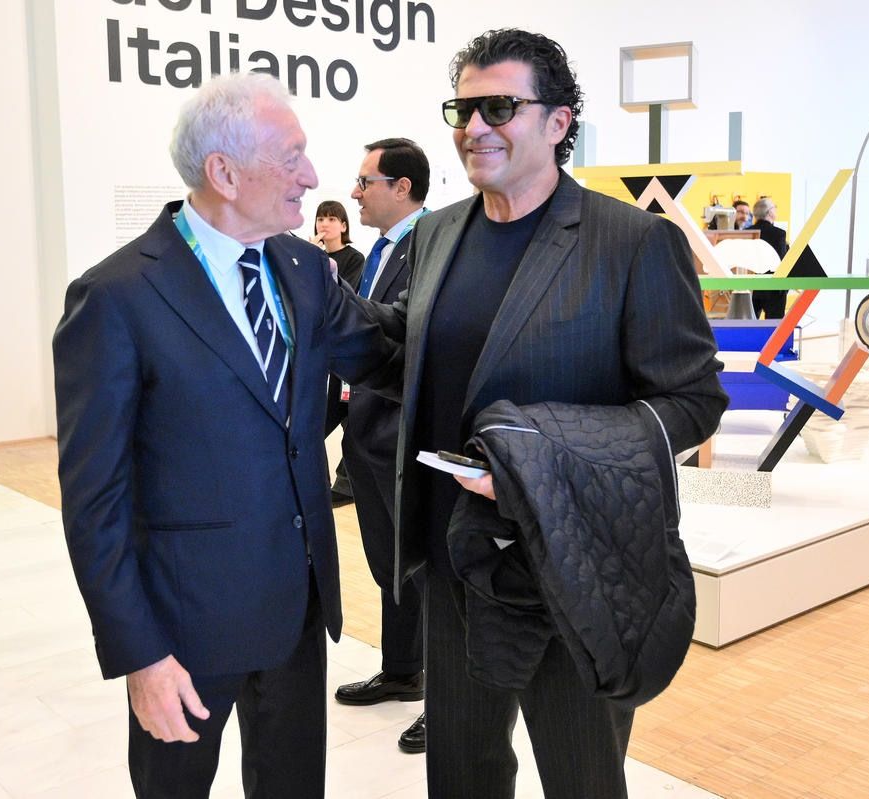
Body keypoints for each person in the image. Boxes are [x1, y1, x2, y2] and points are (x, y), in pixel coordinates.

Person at [360, 29, 726, 797]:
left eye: (498, 107)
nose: (473, 126)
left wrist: (542, 459)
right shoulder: (436, 232)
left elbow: (691, 401)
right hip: (455, 557)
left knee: (580, 776)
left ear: (558, 122)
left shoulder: (632, 241)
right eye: (461, 109)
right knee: (460, 771)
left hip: (573, 562)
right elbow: (411, 357)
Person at [53, 73, 398, 799]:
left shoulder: (304, 269)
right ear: (225, 173)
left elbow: (385, 355)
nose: (312, 177)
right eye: (292, 157)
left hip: (298, 608)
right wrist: (140, 656)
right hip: (185, 628)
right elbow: (94, 502)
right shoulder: (115, 296)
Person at [331, 137, 430, 754]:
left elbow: (405, 332)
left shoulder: (432, 246)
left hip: (401, 432)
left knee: (425, 572)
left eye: (365, 182)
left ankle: (447, 702)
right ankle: (402, 671)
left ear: (401, 187)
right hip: (366, 431)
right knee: (390, 564)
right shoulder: (382, 249)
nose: (355, 193)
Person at [314, 199, 365, 507]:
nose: (325, 224)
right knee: (326, 418)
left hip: (342, 350)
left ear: (344, 225)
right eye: (321, 218)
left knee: (347, 416)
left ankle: (346, 484)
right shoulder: (310, 256)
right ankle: (336, 484)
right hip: (317, 348)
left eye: (332, 219)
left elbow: (343, 297)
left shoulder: (354, 259)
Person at [748, 197, 789, 318]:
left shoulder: (747, 232)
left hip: (751, 286)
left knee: (748, 323)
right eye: (774, 208)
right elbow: (781, 261)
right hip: (774, 287)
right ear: (770, 212)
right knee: (774, 325)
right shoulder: (779, 234)